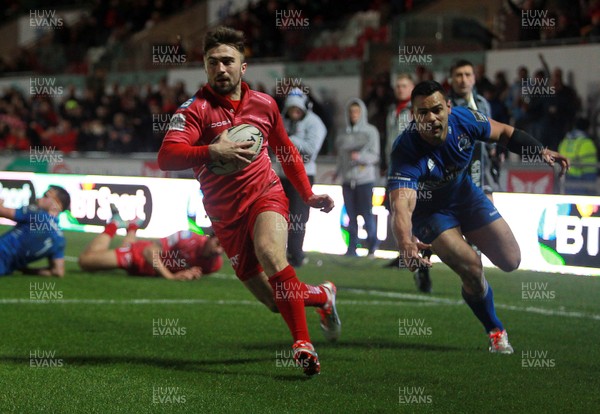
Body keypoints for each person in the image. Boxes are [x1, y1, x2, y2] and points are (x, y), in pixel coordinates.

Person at [157, 26, 338, 376]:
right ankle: (322, 295)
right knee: (275, 301)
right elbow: (167, 157)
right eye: (213, 63)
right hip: (226, 217)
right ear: (206, 68)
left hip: (265, 194)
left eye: (228, 61)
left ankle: (302, 343)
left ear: (243, 67)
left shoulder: (265, 104)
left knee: (271, 252)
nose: (220, 69)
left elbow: (284, 149)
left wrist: (307, 193)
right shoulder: (195, 110)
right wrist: (211, 150)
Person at [388, 80, 569, 353]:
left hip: (466, 196)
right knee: (472, 268)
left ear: (449, 107)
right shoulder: (406, 150)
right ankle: (495, 329)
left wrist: (539, 150)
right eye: (423, 113)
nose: (431, 118)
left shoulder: (465, 120)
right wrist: (405, 243)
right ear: (414, 116)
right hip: (431, 214)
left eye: (437, 109)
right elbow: (401, 204)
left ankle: (455, 258)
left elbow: (505, 133)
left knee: (511, 260)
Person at [78, 209, 224, 280]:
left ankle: (133, 226)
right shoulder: (186, 237)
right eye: (218, 243)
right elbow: (149, 252)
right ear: (209, 237)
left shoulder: (214, 264)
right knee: (86, 262)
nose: (220, 250)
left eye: (224, 248)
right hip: (139, 256)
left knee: (125, 247)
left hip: (150, 270)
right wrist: (170, 277)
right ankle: (114, 223)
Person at [276, 87, 327, 268]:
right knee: (279, 216)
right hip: (282, 174)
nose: (294, 113)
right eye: (291, 110)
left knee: (298, 217)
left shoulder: (315, 123)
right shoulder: (282, 121)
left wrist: (289, 139)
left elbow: (310, 151)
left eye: (298, 110)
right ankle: (279, 254)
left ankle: (296, 255)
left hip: (303, 175)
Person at [334, 98, 380, 257]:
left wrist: (360, 156)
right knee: (351, 217)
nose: (353, 115)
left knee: (367, 215)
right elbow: (341, 157)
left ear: (362, 113)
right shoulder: (343, 133)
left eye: (357, 111)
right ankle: (351, 248)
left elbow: (375, 156)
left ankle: (372, 247)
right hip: (347, 180)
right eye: (351, 111)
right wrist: (337, 172)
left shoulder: (371, 132)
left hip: (365, 180)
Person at [0, 185, 71, 277]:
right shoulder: (59, 239)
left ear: (57, 205)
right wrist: (28, 271)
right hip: (4, 269)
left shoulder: (36, 214)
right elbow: (58, 272)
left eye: (45, 196)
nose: (39, 198)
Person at [558, 118, 597, 195]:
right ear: (588, 129)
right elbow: (590, 170)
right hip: (581, 186)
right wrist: (591, 191)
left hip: (565, 185)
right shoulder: (586, 143)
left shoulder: (565, 142)